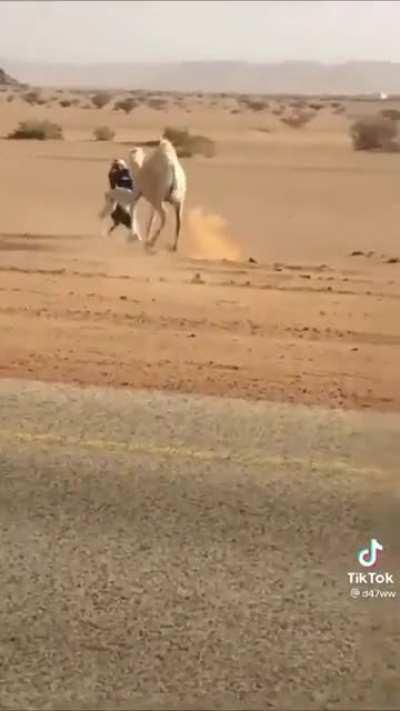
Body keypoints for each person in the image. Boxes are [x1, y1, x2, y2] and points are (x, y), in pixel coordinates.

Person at [107, 159, 133, 231]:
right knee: (118, 212)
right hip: (130, 195)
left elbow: (112, 187)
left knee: (117, 212)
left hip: (124, 195)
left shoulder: (113, 174)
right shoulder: (129, 172)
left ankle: (131, 229)